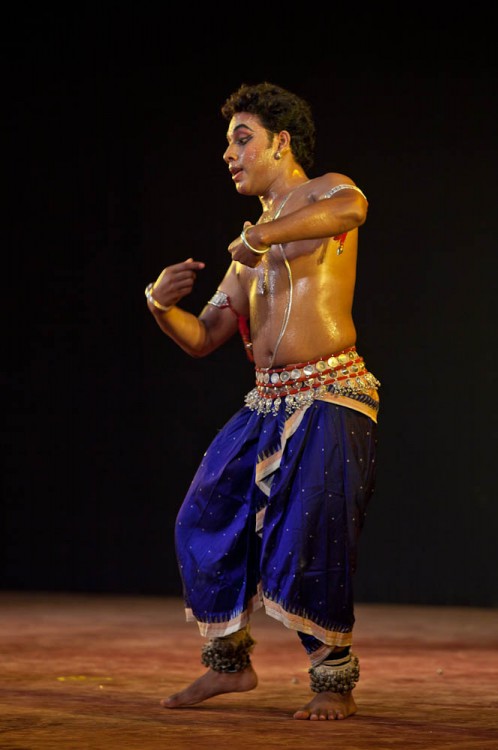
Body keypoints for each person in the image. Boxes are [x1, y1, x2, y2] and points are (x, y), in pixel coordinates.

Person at [145, 81, 380, 721]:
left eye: (241, 139)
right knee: (203, 514)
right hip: (266, 401)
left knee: (310, 532)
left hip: (331, 391)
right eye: (227, 144)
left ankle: (333, 680)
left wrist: (264, 236)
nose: (229, 153)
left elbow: (352, 210)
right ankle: (230, 665)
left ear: (281, 142)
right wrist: (160, 305)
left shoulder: (323, 193)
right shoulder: (251, 248)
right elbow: (204, 337)